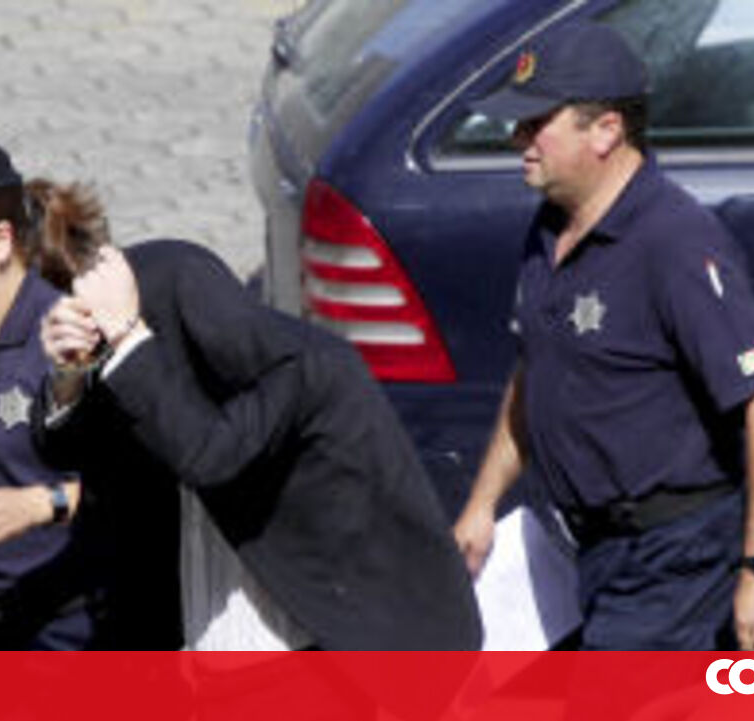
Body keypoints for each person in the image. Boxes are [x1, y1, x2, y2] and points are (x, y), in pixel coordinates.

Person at [451, 21, 754, 651]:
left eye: (536, 123)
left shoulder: (674, 241)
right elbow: (536, 371)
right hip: (593, 551)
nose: (517, 139)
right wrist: (482, 505)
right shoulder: (551, 228)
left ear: (606, 130)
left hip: (674, 560)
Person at [31, 201, 480, 651]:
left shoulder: (305, 372)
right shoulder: (166, 381)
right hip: (208, 626)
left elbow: (207, 454)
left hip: (350, 636)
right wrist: (70, 375)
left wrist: (129, 337)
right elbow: (69, 448)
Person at [0, 140, 182, 650]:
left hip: (71, 638)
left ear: (0, 241)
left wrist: (43, 504)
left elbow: (148, 485)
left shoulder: (70, 336)